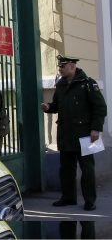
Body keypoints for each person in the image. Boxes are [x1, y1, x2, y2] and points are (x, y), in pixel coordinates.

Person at [41, 55, 107, 211]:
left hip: (86, 135)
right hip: (66, 134)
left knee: (87, 169)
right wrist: (49, 107)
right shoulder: (61, 85)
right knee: (66, 169)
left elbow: (100, 108)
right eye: (59, 66)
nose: (60, 69)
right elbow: (57, 105)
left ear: (72, 66)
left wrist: (96, 129)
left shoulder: (88, 84)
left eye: (62, 66)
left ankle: (90, 200)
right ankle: (68, 198)